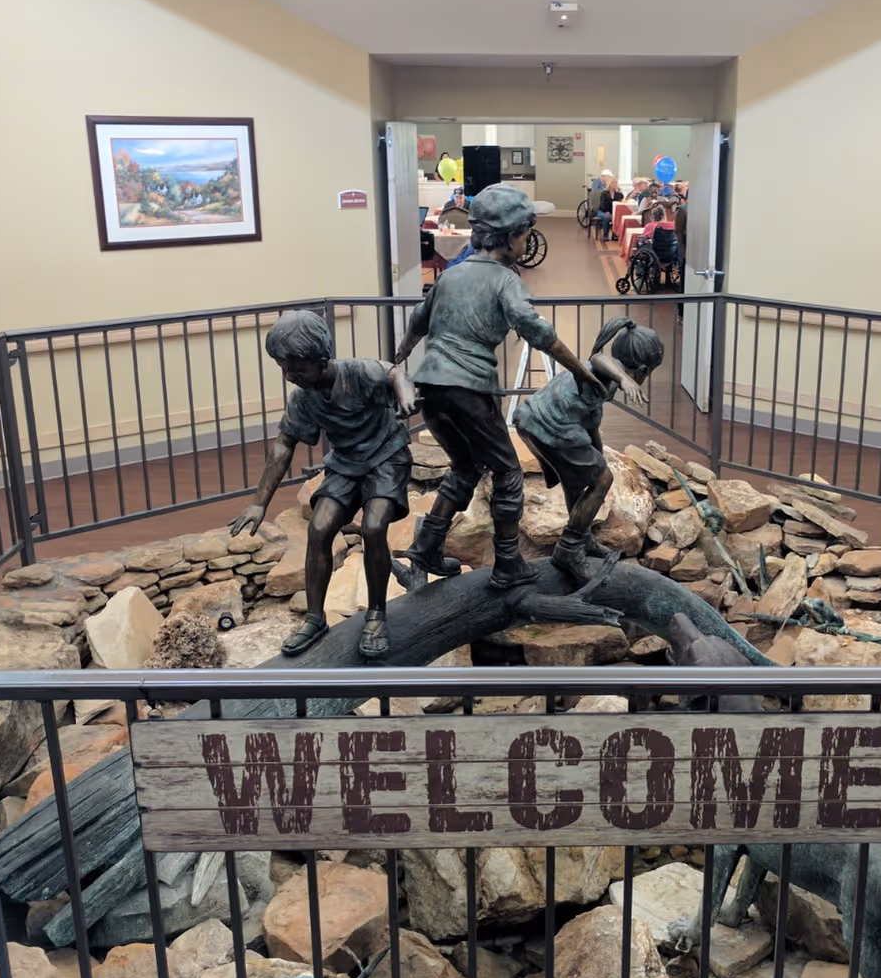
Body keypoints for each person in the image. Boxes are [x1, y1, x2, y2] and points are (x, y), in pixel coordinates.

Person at [390, 184, 604, 589]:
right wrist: (579, 369)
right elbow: (537, 330)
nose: (527, 241)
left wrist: (400, 360)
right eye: (526, 233)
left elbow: (418, 322)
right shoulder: (506, 281)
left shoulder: (452, 276)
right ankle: (508, 564)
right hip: (468, 391)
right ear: (509, 237)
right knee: (508, 474)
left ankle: (426, 547)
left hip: (432, 390)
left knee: (466, 467)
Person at [231, 310, 417, 659]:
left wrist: (405, 396)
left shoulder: (358, 372)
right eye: (284, 368)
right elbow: (284, 446)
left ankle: (376, 614)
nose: (289, 376)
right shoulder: (304, 397)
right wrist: (259, 502)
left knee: (374, 526)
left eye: (297, 368)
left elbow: (394, 372)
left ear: (321, 360)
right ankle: (315, 618)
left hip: (386, 458)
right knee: (318, 528)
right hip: (346, 465)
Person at [514, 317, 665, 580]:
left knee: (579, 483)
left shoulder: (605, 384)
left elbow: (591, 418)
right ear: (642, 370)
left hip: (533, 419)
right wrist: (625, 380)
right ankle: (569, 549)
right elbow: (598, 358)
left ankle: (580, 537)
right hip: (547, 424)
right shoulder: (607, 371)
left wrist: (597, 453)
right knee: (602, 480)